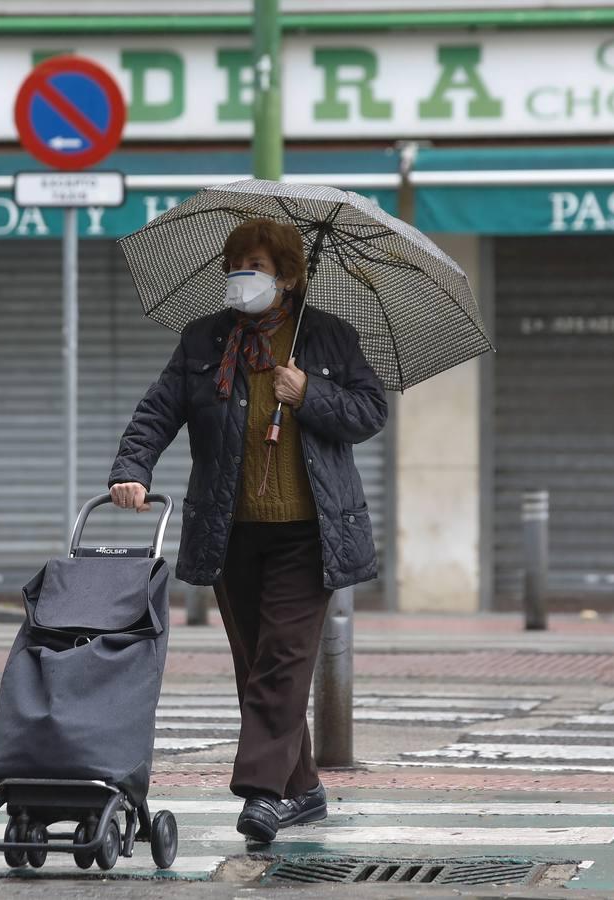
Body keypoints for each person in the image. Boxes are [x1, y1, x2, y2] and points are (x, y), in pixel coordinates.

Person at [108, 217, 387, 843]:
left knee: (283, 660)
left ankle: (262, 791)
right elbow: (159, 409)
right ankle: (304, 788)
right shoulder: (204, 339)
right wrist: (132, 469)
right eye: (235, 264)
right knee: (257, 663)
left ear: (288, 277)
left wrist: (310, 393)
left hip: (309, 530)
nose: (241, 277)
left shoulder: (327, 338)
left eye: (256, 267)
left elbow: (371, 411)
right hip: (230, 529)